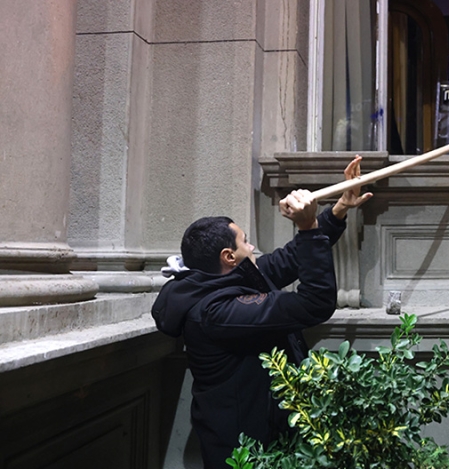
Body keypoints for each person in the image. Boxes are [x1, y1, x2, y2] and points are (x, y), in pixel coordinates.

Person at [151, 156, 372, 469]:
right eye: (245, 242)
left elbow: (290, 260)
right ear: (229, 256)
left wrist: (338, 209)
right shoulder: (217, 312)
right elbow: (315, 303)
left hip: (266, 435)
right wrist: (306, 226)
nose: (253, 247)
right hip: (246, 452)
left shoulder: (226, 278)